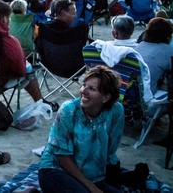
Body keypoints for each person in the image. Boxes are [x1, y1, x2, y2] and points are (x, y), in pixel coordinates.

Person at [38, 65, 123, 193]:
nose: (83, 91)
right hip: (56, 169)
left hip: (93, 175)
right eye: (84, 85)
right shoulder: (69, 110)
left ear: (105, 97)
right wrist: (91, 187)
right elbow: (62, 157)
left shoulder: (115, 111)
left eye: (92, 89)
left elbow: (111, 149)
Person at [0, 1, 59, 111]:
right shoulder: (9, 41)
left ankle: (40, 101)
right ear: (4, 19)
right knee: (28, 69)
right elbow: (19, 71)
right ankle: (40, 102)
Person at [135, 17, 173, 95]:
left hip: (134, 96)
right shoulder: (168, 50)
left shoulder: (139, 46)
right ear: (168, 38)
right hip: (151, 100)